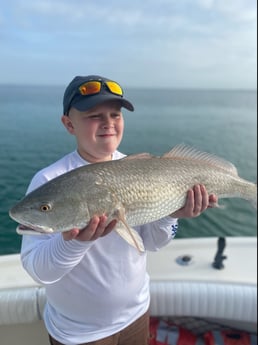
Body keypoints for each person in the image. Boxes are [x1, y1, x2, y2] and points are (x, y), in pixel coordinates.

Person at [20, 75, 218, 345]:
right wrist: (74, 243)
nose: (108, 123)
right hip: (80, 334)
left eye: (115, 114)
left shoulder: (137, 169)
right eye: (94, 115)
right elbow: (39, 271)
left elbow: (151, 242)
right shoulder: (49, 181)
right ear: (69, 124)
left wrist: (171, 214)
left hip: (137, 315)